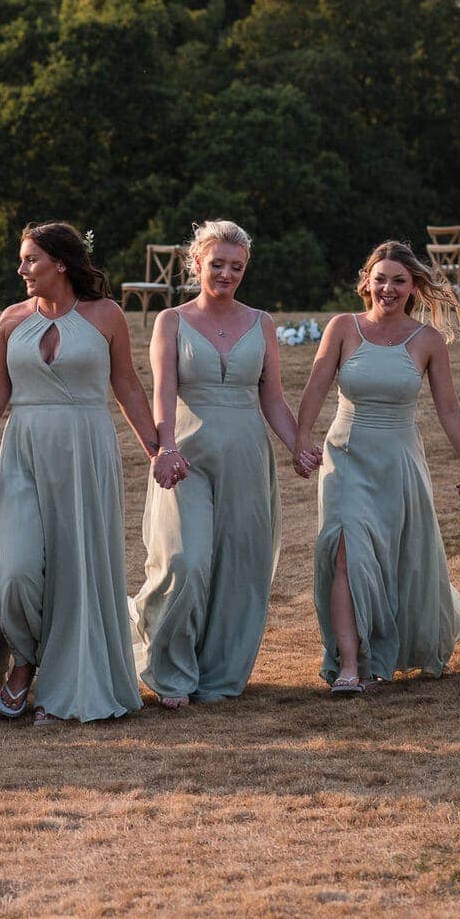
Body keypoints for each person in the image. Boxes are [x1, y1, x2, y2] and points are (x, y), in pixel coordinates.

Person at [0, 221, 161, 726]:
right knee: (16, 572)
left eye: (31, 260)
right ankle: (22, 660)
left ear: (61, 264)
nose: (22, 269)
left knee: (77, 570)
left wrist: (158, 450)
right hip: (24, 450)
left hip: (85, 449)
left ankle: (63, 679)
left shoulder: (106, 315)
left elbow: (129, 387)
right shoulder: (10, 319)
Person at [292, 240, 460, 695]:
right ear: (366, 282)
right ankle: (350, 665)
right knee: (344, 553)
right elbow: (316, 386)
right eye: (381, 279)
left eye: (399, 280)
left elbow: (448, 409)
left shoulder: (427, 340)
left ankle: (381, 656)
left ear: (413, 286)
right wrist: (301, 440)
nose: (388, 289)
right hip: (346, 457)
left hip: (398, 461)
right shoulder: (342, 327)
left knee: (391, 560)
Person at [130, 221, 296, 708]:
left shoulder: (262, 322)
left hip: (246, 454)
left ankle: (219, 674)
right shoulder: (171, 321)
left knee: (241, 567)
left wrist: (298, 447)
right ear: (197, 263)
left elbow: (275, 400)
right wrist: (164, 448)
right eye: (218, 264)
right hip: (186, 456)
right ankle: (171, 671)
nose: (227, 273)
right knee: (185, 561)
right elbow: (162, 393)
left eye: (237, 267)